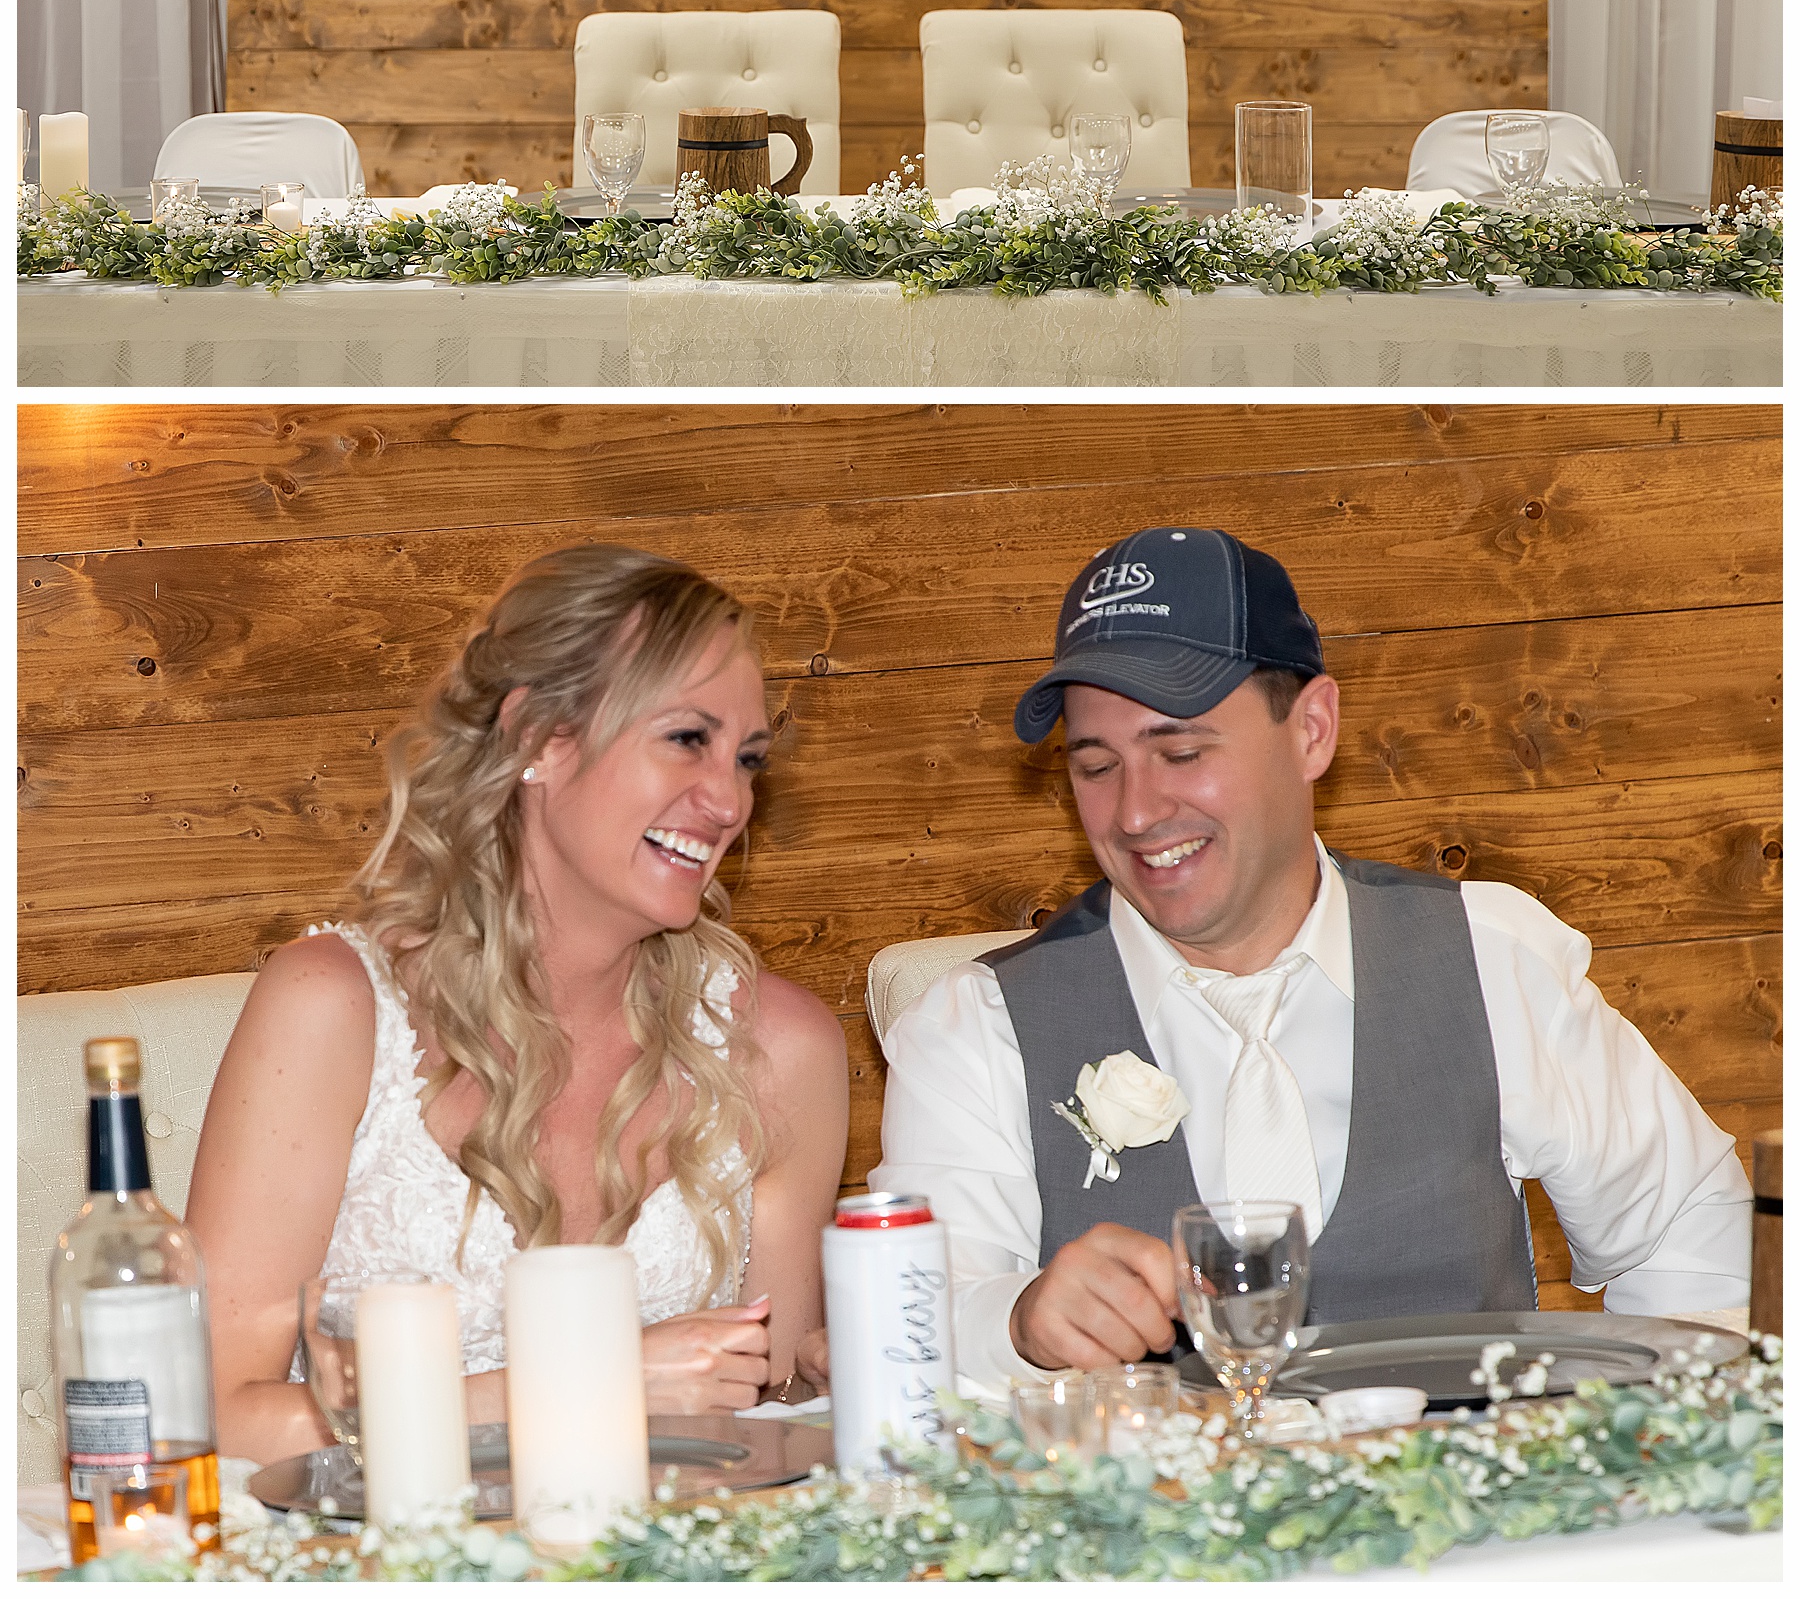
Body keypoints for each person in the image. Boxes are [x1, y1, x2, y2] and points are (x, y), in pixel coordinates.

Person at [878, 527, 1752, 1392]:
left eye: (1181, 751)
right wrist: (1018, 1324)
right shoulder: (976, 1026)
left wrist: (1649, 1433)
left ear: (1312, 731)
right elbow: (914, 1322)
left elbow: (1687, 1219)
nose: (1137, 812)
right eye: (1096, 765)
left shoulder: (1491, 955)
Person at [186, 545, 849, 1462]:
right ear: (538, 737)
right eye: (688, 739)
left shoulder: (779, 1049)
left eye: (748, 757)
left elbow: (769, 1415)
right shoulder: (332, 1009)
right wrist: (587, 1383)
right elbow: (210, 1410)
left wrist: (830, 1373)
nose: (729, 798)